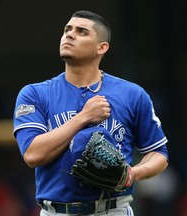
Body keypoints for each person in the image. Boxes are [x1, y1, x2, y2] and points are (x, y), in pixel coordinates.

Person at [13, 10, 169, 216]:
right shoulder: (35, 93)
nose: (69, 35)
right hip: (57, 211)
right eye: (67, 30)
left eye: (82, 31)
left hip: (113, 210)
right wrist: (84, 117)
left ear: (101, 47)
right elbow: (32, 154)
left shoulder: (132, 94)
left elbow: (159, 153)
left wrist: (132, 174)